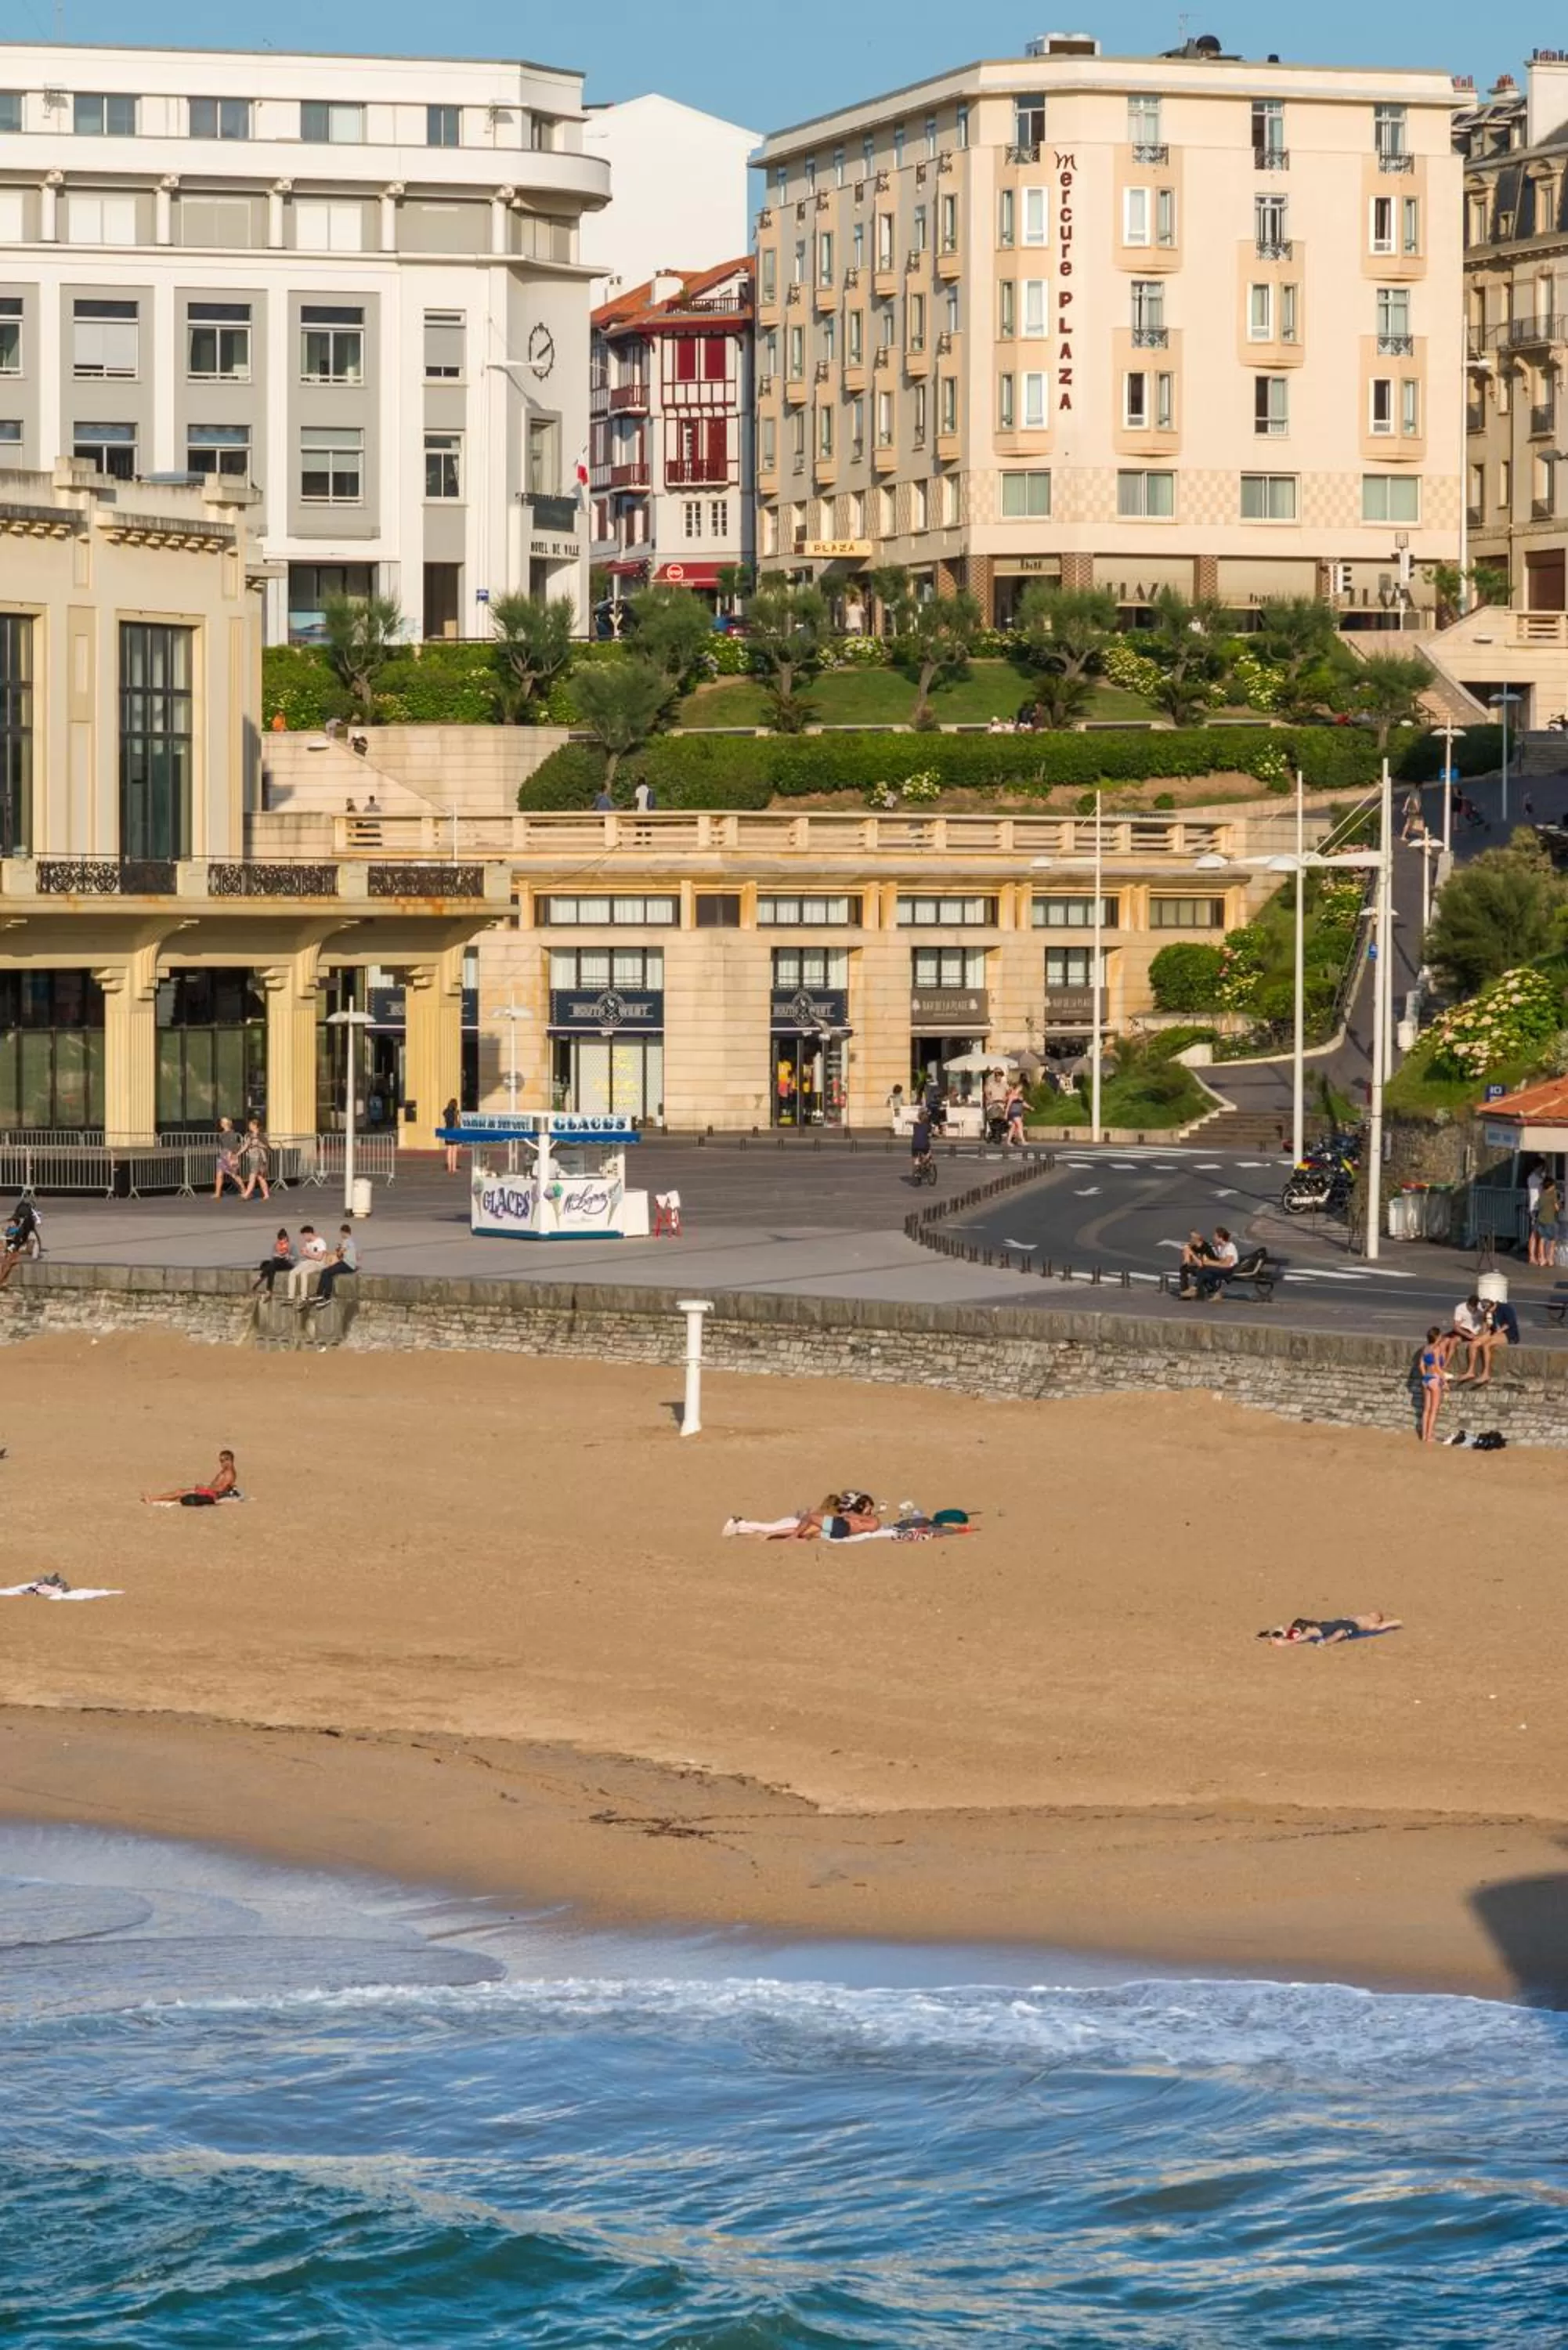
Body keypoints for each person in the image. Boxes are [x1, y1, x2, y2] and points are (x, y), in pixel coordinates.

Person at [143, 1450, 239, 1506]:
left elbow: (221, 1488)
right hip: (210, 1491)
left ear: (229, 1460)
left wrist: (205, 1488)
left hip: (211, 1493)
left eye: (223, 1461)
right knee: (181, 1493)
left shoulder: (229, 1473)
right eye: (220, 1461)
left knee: (180, 1492)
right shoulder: (227, 1471)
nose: (221, 1463)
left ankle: (152, 1498)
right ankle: (155, 1499)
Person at [1259, 1612, 1402, 1647]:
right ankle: (1283, 1636)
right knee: (1305, 1628)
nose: (1373, 1613)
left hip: (1349, 1627)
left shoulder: (1373, 1625)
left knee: (1338, 1633)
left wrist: (1396, 1622)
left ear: (1378, 1619)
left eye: (1376, 1614)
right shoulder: (1361, 1615)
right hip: (1336, 1623)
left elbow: (1386, 1625)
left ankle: (1285, 1641)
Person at [304, 1224, 358, 1311]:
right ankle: (321, 1294)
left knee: (327, 1272)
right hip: (349, 1264)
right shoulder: (351, 1241)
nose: (341, 1235)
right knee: (328, 1272)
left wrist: (338, 1249)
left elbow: (339, 1254)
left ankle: (324, 1296)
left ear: (344, 1232)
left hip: (347, 1265)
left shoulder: (346, 1241)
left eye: (341, 1233)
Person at [0, 1194, 42, 1289]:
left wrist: (9, 1249)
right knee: (6, 1257)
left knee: (7, 1260)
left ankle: (2, 1280)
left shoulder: (23, 1228)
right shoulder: (25, 1223)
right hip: (21, 1245)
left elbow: (17, 1242)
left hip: (22, 1248)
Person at [1418, 1325, 1451, 1444]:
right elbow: (1437, 1367)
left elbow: (1421, 1366)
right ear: (1437, 1337)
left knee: (1426, 1410)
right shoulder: (1436, 1349)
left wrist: (1425, 1376)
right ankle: (1429, 1436)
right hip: (1435, 1379)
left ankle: (1423, 1435)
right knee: (1433, 1410)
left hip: (1426, 1379)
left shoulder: (1425, 1348)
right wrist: (1444, 1381)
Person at [284, 1224, 330, 1300]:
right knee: (292, 1273)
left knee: (304, 1273)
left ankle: (303, 1297)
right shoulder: (308, 1243)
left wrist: (307, 1254)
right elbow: (310, 1256)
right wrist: (305, 1253)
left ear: (309, 1234)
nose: (304, 1238)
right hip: (310, 1261)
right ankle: (290, 1297)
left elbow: (319, 1258)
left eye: (304, 1235)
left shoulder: (320, 1242)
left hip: (319, 1264)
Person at [1196, 1227, 1239, 1301]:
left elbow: (1227, 1264)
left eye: (1215, 1236)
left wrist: (1211, 1263)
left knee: (1205, 1270)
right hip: (1223, 1268)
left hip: (1229, 1269)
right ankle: (1212, 1292)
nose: (1213, 1238)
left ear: (1221, 1238)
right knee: (1203, 1269)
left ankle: (1199, 1291)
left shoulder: (1230, 1247)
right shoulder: (1219, 1247)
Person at [1450, 1293, 1487, 1381]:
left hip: (1477, 1332)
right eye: (1471, 1307)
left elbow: (1485, 1323)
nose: (1473, 1310)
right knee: (1450, 1341)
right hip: (1465, 1331)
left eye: (1475, 1308)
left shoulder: (1481, 1309)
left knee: (1473, 1346)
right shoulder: (1460, 1308)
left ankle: (1471, 1371)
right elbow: (1456, 1327)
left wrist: (1480, 1335)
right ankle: (1445, 1366)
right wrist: (1468, 1335)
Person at [251, 1229, 294, 1295]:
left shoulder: (291, 1246)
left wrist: (289, 1256)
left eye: (283, 1240)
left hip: (288, 1263)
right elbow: (273, 1255)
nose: (281, 1242)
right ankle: (268, 1290)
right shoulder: (276, 1245)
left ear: (286, 1238)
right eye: (280, 1241)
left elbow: (296, 1258)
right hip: (277, 1262)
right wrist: (277, 1255)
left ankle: (261, 1277)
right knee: (269, 1265)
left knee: (271, 1265)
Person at [239, 1119, 271, 1203]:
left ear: (255, 1126)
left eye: (250, 1125)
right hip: (253, 1158)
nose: (249, 1126)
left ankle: (247, 1194)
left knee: (252, 1176)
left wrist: (259, 1144)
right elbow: (245, 1146)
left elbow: (267, 1147)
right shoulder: (249, 1135)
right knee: (260, 1177)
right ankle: (266, 1194)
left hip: (259, 1158)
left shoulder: (261, 1136)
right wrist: (238, 1154)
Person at [212, 1117, 241, 1200]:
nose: (221, 1123)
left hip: (230, 1155)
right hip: (222, 1155)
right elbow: (222, 1146)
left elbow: (234, 1146)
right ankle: (217, 1193)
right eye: (221, 1122)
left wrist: (231, 1155)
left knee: (234, 1175)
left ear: (226, 1124)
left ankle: (244, 1190)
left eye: (222, 1122)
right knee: (219, 1174)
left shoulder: (232, 1133)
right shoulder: (222, 1134)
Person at [1535, 1171, 1560, 1269]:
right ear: (1551, 1186)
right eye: (1553, 1185)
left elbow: (1539, 1206)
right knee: (1553, 1240)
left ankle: (1542, 1259)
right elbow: (1557, 1208)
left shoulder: (1542, 1195)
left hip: (1541, 1219)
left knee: (1542, 1239)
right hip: (1551, 1220)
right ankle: (1550, 1259)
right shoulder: (1552, 1195)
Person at [910, 1105, 934, 1179]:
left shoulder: (915, 1125)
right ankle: (925, 1163)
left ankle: (917, 1167)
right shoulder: (928, 1126)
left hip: (914, 1144)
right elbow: (931, 1134)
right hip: (924, 1145)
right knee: (929, 1152)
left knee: (916, 1156)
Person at [443, 1096, 461, 1177]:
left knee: (449, 1150)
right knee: (454, 1151)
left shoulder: (446, 1112)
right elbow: (457, 1123)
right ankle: (454, 1168)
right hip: (454, 1132)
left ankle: (449, 1168)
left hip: (447, 1131)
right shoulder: (455, 1112)